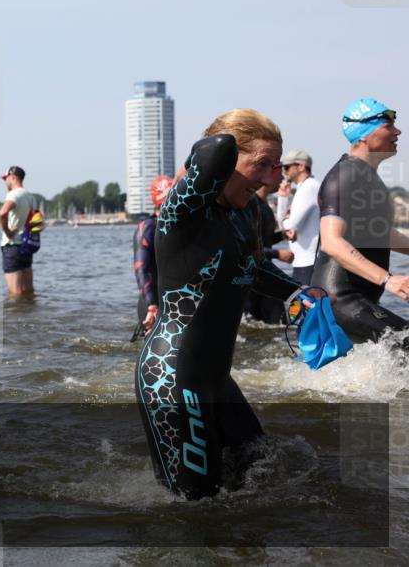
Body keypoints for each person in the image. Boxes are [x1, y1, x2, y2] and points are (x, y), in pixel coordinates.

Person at [135, 108, 324, 500]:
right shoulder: (184, 209)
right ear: (226, 163)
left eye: (277, 166)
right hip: (172, 376)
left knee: (260, 469)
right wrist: (229, 140)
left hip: (216, 378)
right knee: (196, 506)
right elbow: (214, 147)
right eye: (263, 165)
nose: (274, 178)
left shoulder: (248, 211)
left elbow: (251, 269)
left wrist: (298, 294)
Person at [312, 98, 409, 347]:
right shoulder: (346, 174)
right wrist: (389, 280)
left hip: (359, 300)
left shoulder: (367, 176)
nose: (397, 131)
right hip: (342, 298)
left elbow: (379, 234)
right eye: (388, 125)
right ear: (364, 134)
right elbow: (331, 243)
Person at [244, 185, 295, 324]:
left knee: (279, 322)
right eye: (278, 169)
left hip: (266, 271)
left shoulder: (262, 204)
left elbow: (263, 239)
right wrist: (277, 254)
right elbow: (246, 247)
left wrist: (281, 236)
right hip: (251, 276)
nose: (282, 177)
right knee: (248, 324)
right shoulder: (248, 203)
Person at [131, 176, 173, 341]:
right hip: (152, 302)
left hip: (173, 303)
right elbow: (141, 268)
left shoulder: (181, 226)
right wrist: (152, 306)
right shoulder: (148, 227)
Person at [276, 150, 320, 285]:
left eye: (287, 167)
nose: (284, 171)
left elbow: (290, 225)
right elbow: (284, 225)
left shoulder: (308, 187)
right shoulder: (305, 187)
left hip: (309, 262)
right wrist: (283, 198)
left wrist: (285, 224)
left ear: (301, 166)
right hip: (305, 260)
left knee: (305, 304)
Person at [0, 166, 35, 299]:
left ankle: (17, 319)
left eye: (6, 179)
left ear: (13, 177)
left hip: (12, 246)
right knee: (28, 291)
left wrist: (8, 232)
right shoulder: (31, 196)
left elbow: (2, 213)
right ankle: (30, 317)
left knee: (16, 293)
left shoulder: (13, 194)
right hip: (27, 247)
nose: (5, 182)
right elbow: (39, 222)